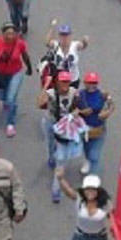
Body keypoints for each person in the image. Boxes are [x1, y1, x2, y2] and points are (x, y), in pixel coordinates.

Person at [37, 70, 87, 202]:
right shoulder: (51, 93)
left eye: (67, 81)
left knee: (60, 161)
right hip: (51, 122)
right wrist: (46, 84)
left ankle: (56, 190)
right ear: (57, 82)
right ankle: (50, 156)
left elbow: (81, 107)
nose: (65, 84)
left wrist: (77, 112)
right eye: (62, 81)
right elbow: (39, 103)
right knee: (50, 145)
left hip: (64, 128)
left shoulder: (73, 92)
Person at [0, 23, 34, 137]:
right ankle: (7, 103)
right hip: (0, 74)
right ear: (3, 34)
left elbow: (25, 56)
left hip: (16, 73)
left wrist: (29, 68)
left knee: (11, 98)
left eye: (12, 33)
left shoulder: (20, 44)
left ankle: (10, 124)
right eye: (8, 33)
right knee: (2, 96)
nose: (10, 36)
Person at [55, 172, 111, 240]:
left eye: (93, 189)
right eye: (87, 189)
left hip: (99, 237)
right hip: (80, 236)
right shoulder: (79, 198)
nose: (90, 192)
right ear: (83, 190)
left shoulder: (106, 203)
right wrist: (61, 179)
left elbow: (112, 220)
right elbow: (68, 190)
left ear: (98, 190)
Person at [77, 72, 113, 176]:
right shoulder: (80, 95)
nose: (92, 85)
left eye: (94, 82)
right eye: (89, 82)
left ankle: (93, 178)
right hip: (84, 129)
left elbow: (112, 105)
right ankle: (87, 161)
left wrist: (107, 112)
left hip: (99, 128)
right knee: (87, 148)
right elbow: (73, 109)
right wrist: (81, 112)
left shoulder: (103, 94)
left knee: (94, 155)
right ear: (85, 83)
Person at [44, 22, 89, 88]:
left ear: (70, 36)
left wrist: (85, 41)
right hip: (59, 80)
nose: (64, 38)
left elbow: (83, 46)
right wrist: (52, 28)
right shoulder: (55, 45)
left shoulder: (75, 45)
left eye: (66, 35)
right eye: (62, 35)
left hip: (73, 80)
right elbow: (47, 42)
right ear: (59, 36)